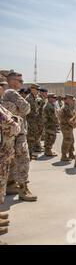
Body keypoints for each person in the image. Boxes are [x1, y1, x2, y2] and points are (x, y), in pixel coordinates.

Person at [3, 71, 37, 202]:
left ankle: (11, 184)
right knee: (23, 160)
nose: (22, 83)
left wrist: (14, 109)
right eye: (20, 81)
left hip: (10, 133)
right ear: (12, 81)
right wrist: (17, 109)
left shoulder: (4, 93)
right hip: (18, 133)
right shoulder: (11, 93)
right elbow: (27, 108)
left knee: (11, 160)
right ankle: (23, 189)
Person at [0, 77, 21, 241]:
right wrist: (14, 122)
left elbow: (14, 119)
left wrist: (14, 121)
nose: (3, 89)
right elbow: (12, 123)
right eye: (2, 86)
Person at [25, 84, 41, 159]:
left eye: (38, 90)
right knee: (30, 138)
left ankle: (30, 153)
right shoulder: (28, 98)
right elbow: (26, 111)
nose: (38, 91)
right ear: (32, 89)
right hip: (30, 121)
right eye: (37, 89)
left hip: (35, 120)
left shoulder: (36, 97)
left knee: (34, 137)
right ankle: (29, 155)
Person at [59, 95, 75, 162]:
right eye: (71, 99)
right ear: (67, 100)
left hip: (68, 126)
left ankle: (71, 153)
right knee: (67, 140)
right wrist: (74, 125)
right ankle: (64, 155)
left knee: (71, 140)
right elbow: (69, 119)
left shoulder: (68, 107)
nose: (72, 101)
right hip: (66, 126)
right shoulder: (66, 108)